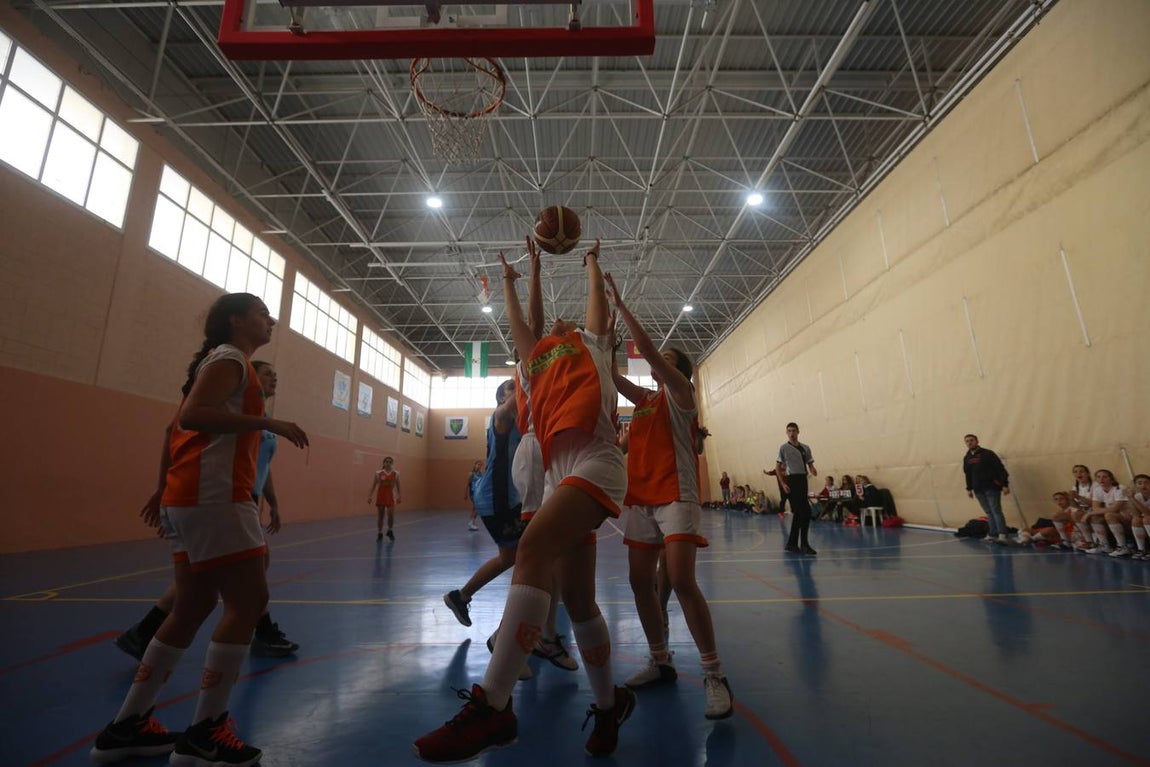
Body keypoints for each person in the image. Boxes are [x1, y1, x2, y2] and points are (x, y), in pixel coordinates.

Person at [414, 239, 635, 763]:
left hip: (595, 461)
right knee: (578, 601)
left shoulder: (592, 347)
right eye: (550, 327)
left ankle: (493, 706)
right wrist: (519, 278)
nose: (557, 326)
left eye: (567, 325)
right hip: (555, 473)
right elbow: (524, 324)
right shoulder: (534, 363)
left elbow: (594, 316)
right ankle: (609, 706)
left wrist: (591, 263)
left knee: (530, 552)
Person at [89, 292, 308, 766]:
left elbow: (173, 431)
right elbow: (190, 419)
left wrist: (162, 488)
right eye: (260, 314)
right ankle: (206, 732)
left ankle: (127, 725)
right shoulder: (230, 359)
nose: (269, 321)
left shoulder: (218, 361)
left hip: (189, 497)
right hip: (215, 498)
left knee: (191, 606)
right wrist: (268, 420)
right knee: (248, 602)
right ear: (235, 321)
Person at [606, 272, 734, 720]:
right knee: (643, 583)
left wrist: (622, 307)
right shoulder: (644, 401)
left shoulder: (681, 394)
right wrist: (604, 339)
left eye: (666, 359)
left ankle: (714, 674)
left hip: (676, 496)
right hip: (641, 499)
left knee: (680, 580)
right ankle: (660, 661)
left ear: (679, 371)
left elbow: (655, 363)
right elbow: (616, 377)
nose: (658, 363)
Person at [114, 361, 299, 662]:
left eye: (275, 375)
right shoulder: (231, 410)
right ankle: (259, 635)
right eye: (267, 373)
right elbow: (174, 432)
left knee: (206, 576)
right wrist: (165, 487)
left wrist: (274, 503)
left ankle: (143, 633)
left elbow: (261, 466)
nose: (273, 378)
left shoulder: (261, 420)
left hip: (246, 497)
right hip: (222, 497)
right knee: (245, 569)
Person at [776, 423, 818, 554]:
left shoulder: (805, 448)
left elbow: (810, 464)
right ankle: (804, 544)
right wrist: (783, 484)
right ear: (786, 433)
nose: (791, 433)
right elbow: (777, 467)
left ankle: (792, 543)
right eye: (789, 431)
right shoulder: (784, 448)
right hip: (792, 480)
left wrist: (813, 469)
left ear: (798, 431)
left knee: (799, 514)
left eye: (794, 430)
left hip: (803, 479)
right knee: (805, 512)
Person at [962, 434, 1010, 544]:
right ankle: (992, 534)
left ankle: (1002, 534)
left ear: (977, 441)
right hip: (978, 489)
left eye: (971, 440)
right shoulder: (967, 457)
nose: (969, 443)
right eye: (967, 441)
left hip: (991, 487)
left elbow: (1000, 469)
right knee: (989, 512)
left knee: (996, 511)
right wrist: (969, 488)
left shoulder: (988, 454)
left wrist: (1005, 484)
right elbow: (967, 474)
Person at [1081, 469, 1131, 556]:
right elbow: (1095, 508)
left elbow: (1116, 508)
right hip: (1114, 516)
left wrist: (1090, 513)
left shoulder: (1119, 488)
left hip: (1128, 517)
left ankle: (1123, 546)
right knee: (1095, 517)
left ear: (1111, 479)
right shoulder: (1098, 490)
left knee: (1109, 515)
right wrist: (1092, 513)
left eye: (1105, 477)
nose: (1101, 479)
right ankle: (1105, 545)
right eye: (1098, 477)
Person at [367, 456, 401, 541]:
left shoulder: (396, 473)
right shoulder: (378, 473)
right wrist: (370, 496)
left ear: (392, 464)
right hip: (381, 496)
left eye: (390, 462)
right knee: (381, 516)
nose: (388, 463)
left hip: (391, 497)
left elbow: (398, 485)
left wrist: (399, 496)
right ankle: (380, 533)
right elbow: (374, 485)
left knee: (391, 514)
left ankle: (390, 530)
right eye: (386, 461)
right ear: (384, 463)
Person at [1128, 474, 1150, 560]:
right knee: (1135, 520)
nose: (1143, 485)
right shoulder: (1137, 496)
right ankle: (1141, 549)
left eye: (1146, 483)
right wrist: (1130, 497)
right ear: (1136, 486)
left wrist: (1133, 499)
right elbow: (1135, 514)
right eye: (1139, 483)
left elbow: (1147, 513)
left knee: (1147, 519)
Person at [465, 459, 483, 532]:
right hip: (473, 492)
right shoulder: (471, 474)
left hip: (478, 493)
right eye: (477, 464)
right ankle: (471, 523)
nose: (478, 466)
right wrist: (465, 494)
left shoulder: (481, 474)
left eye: (480, 465)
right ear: (474, 465)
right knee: (476, 507)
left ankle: (472, 522)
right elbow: (467, 484)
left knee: (475, 508)